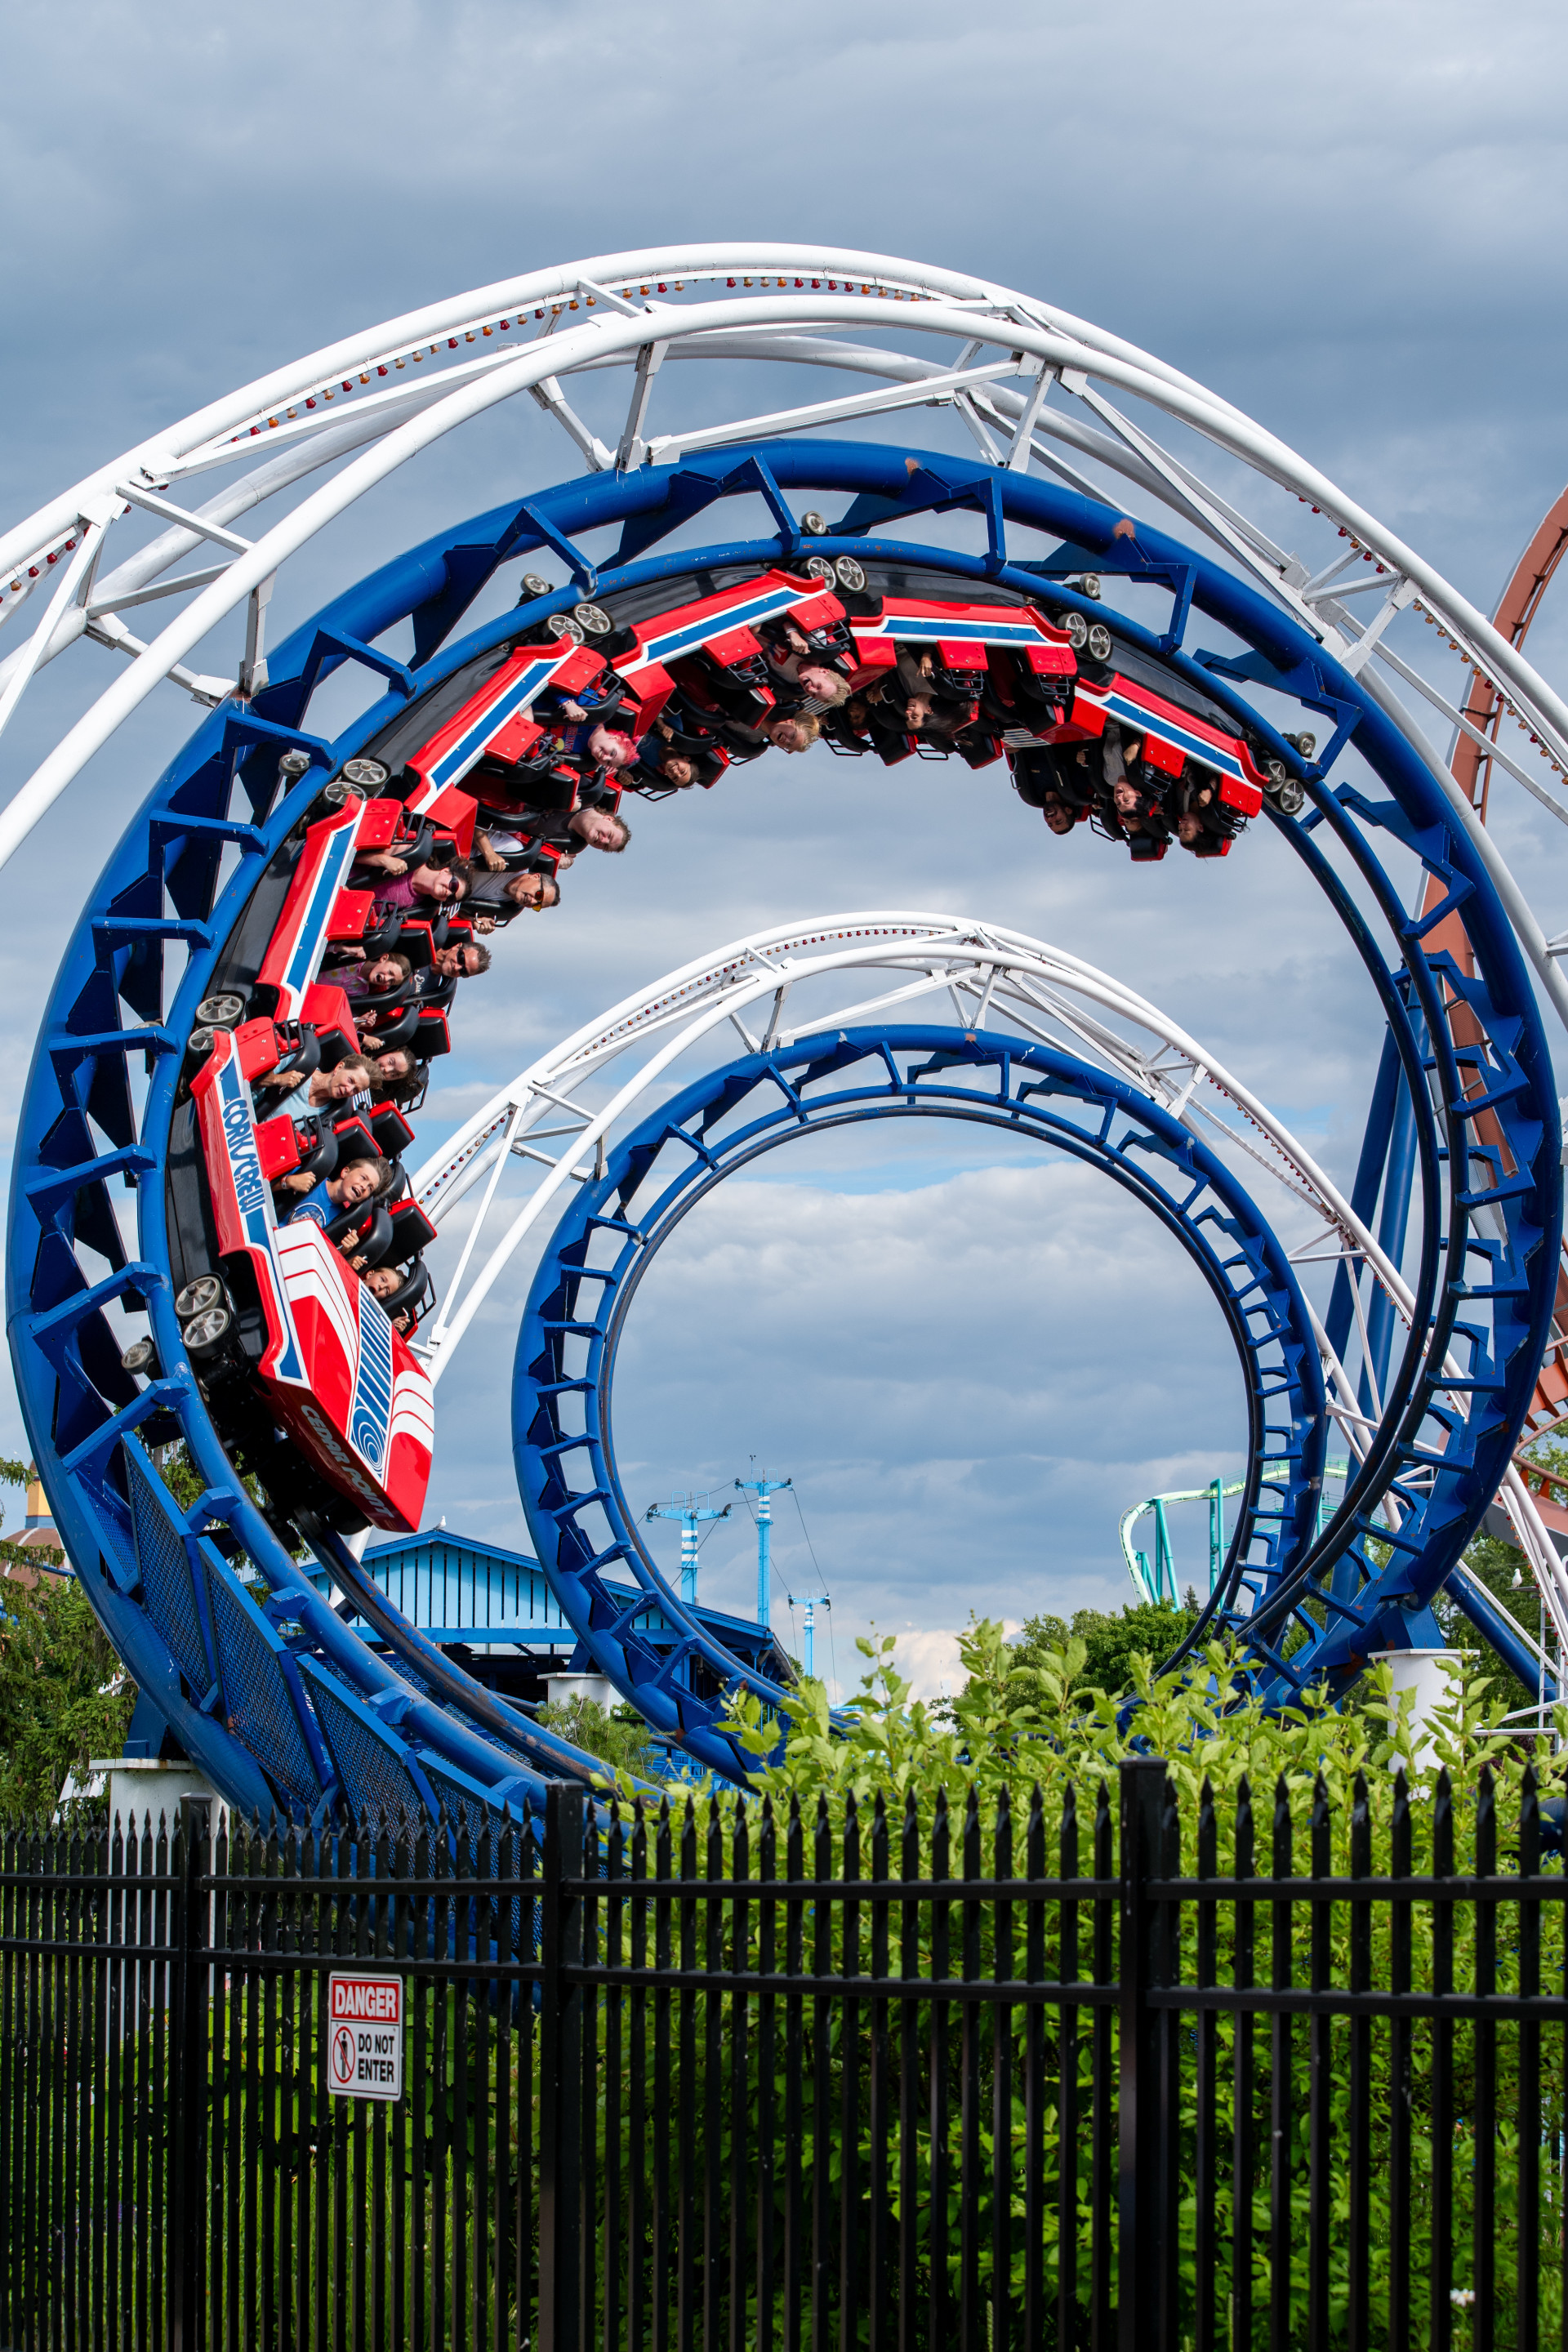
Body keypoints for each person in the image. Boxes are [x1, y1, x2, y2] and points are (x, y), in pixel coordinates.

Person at [277, 1152, 390, 1229]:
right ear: (345, 1172)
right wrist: (288, 1181)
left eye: (370, 1188)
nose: (364, 1187)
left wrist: (344, 1251)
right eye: (363, 1178)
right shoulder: (311, 1178)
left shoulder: (341, 1220)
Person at [256, 1054, 375, 1112]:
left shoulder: (326, 1114)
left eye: (355, 1090)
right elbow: (248, 1077)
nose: (349, 1090)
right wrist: (277, 1079)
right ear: (339, 1068)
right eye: (351, 1081)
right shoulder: (299, 1064)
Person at [465, 869, 561, 924]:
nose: (532, 902)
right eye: (539, 896)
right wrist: (489, 852)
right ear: (535, 877)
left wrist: (474, 921)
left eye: (537, 906)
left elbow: (458, 913)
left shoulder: (503, 908)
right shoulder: (512, 851)